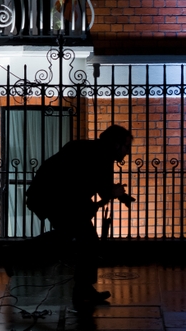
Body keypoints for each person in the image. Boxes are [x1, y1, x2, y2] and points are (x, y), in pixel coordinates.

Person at [25, 124, 135, 309]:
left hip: (52, 197)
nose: (128, 152)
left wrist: (119, 195)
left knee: (69, 236)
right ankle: (82, 289)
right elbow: (95, 186)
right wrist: (113, 193)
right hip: (54, 198)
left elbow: (99, 186)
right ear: (116, 144)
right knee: (87, 240)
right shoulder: (98, 156)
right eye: (126, 146)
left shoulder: (96, 152)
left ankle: (14, 254)